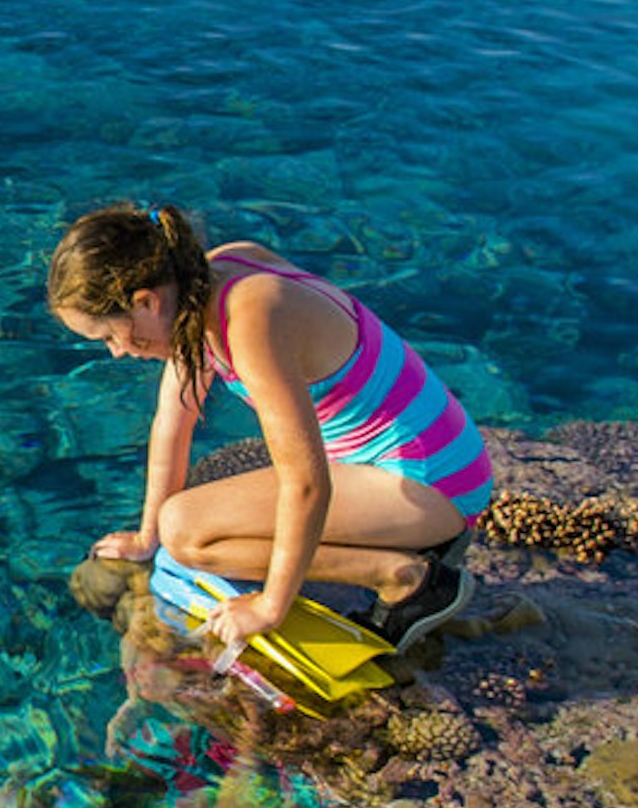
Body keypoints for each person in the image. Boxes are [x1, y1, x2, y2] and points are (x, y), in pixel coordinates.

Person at [46, 200, 489, 657]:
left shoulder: (249, 320)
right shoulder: (214, 274)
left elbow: (306, 484)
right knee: (171, 524)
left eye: (109, 336)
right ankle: (414, 549)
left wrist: (270, 605)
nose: (116, 352)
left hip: (431, 485)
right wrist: (144, 538)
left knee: (186, 530)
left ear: (145, 301)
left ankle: (407, 580)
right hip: (433, 461)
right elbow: (173, 420)